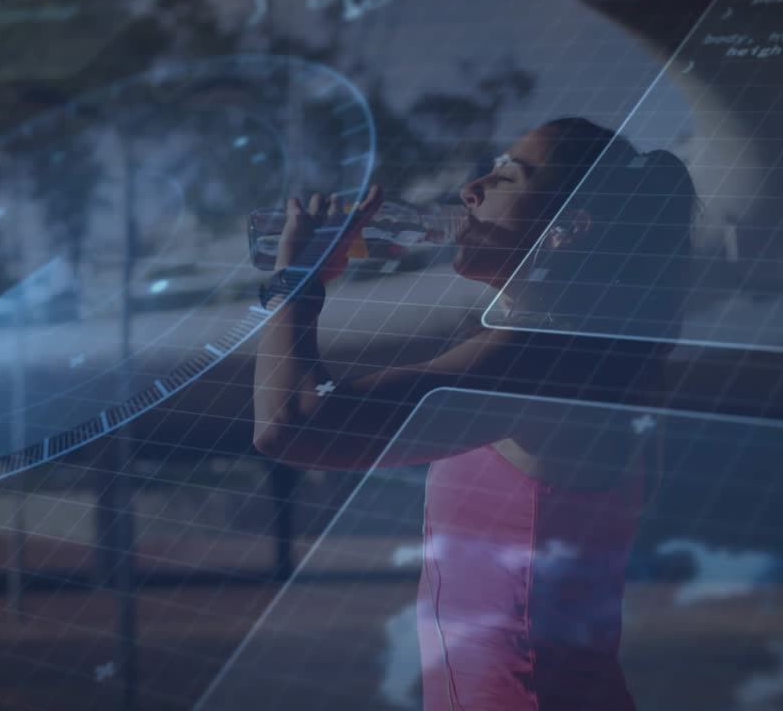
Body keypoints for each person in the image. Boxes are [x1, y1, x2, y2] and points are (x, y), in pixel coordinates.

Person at [252, 117, 696, 710]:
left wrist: (297, 283)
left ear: (568, 229)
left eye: (507, 176)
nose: (472, 187)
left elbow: (294, 425)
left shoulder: (541, 356)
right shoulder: (567, 348)